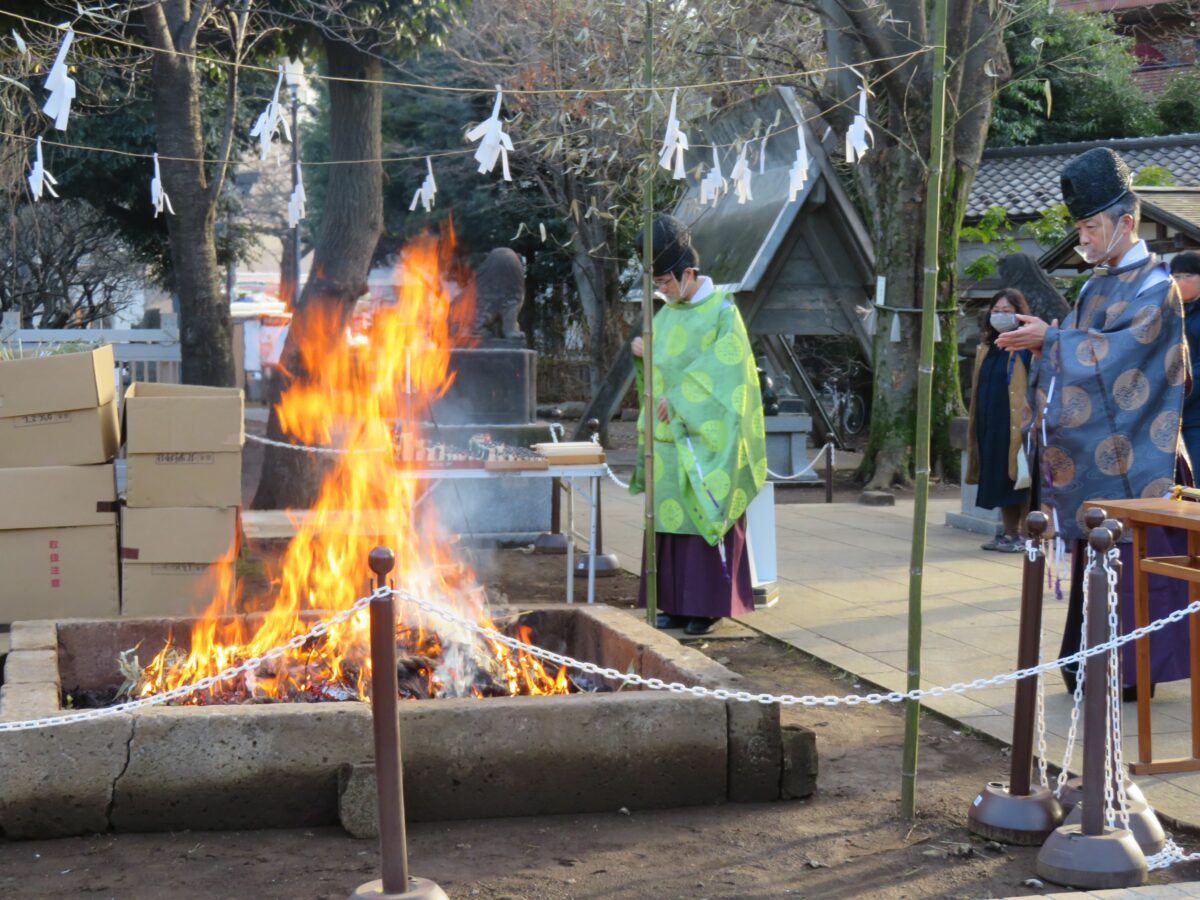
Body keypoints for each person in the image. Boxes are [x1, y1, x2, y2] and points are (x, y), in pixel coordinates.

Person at [997, 147, 1191, 696]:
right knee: (1100, 559)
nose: (1082, 237)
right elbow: (1083, 356)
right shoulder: (1093, 286)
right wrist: (1046, 343)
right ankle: (1090, 665)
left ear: (1125, 222)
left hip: (1144, 456)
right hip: (1103, 457)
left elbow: (1131, 358)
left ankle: (1131, 676)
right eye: (1079, 225)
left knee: (1132, 564)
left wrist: (1053, 340)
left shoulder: (1158, 287)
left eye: (1090, 225)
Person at [629, 215, 767, 636]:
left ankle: (705, 606)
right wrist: (643, 355)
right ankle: (672, 600)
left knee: (702, 512)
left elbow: (730, 376)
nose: (661, 291)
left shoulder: (724, 312)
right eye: (656, 284)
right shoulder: (666, 314)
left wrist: (684, 401)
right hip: (670, 438)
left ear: (689, 273)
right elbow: (665, 364)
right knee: (671, 517)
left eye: (666, 282)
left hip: (706, 439)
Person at [966, 289, 1033, 553]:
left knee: (1021, 479)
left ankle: (1029, 535)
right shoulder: (987, 348)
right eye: (996, 311)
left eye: (1007, 311)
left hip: (1017, 423)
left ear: (1019, 313)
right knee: (1000, 477)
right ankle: (1008, 533)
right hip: (990, 423)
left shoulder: (1028, 347)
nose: (1000, 316)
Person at [1171, 251, 1200, 467]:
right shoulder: (1170, 311)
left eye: (1187, 276)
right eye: (1176, 276)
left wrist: (1179, 395)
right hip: (1174, 413)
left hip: (1194, 414)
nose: (1180, 282)